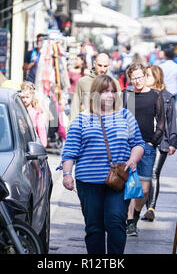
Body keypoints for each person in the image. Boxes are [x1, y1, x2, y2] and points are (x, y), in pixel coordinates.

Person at [60, 74, 145, 254]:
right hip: (88, 182)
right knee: (94, 227)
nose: (109, 96)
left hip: (118, 180)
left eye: (112, 92)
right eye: (104, 92)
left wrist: (133, 159)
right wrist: (67, 174)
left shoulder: (125, 115)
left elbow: (138, 143)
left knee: (116, 223)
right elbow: (69, 151)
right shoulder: (82, 119)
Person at [122, 63, 165, 236]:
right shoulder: (127, 95)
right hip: (127, 146)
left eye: (140, 77)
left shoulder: (155, 95)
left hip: (147, 146)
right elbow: (120, 118)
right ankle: (129, 221)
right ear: (130, 79)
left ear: (145, 76)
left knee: (144, 189)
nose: (138, 81)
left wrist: (153, 142)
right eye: (134, 78)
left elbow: (161, 121)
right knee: (127, 186)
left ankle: (136, 216)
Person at [142, 65, 177, 222]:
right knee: (143, 176)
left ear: (156, 77)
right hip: (143, 140)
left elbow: (171, 121)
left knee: (153, 173)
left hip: (161, 141)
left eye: (148, 76)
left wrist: (173, 142)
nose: (145, 78)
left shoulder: (167, 97)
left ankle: (151, 208)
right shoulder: (138, 94)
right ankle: (141, 208)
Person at [70, 53, 121, 121]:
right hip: (88, 124)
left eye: (105, 66)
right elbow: (75, 106)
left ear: (108, 66)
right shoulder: (83, 82)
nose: (102, 69)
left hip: (108, 125)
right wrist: (72, 127)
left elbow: (119, 107)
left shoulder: (114, 83)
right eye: (99, 65)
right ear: (94, 63)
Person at [19, 81, 48, 148]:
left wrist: (42, 146)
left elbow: (41, 130)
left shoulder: (36, 113)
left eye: (27, 97)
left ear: (32, 97)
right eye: (23, 97)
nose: (25, 100)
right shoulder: (16, 110)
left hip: (32, 145)